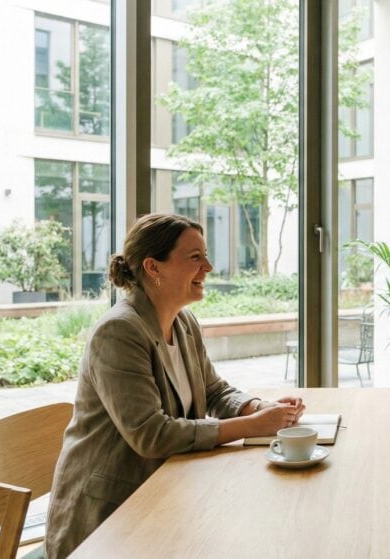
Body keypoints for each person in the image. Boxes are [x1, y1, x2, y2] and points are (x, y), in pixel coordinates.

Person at [46, 214, 305, 558]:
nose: (209, 267)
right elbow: (151, 435)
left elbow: (214, 390)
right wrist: (250, 427)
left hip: (167, 492)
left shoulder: (183, 322)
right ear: (154, 268)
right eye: (195, 258)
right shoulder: (119, 332)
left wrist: (259, 408)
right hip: (110, 517)